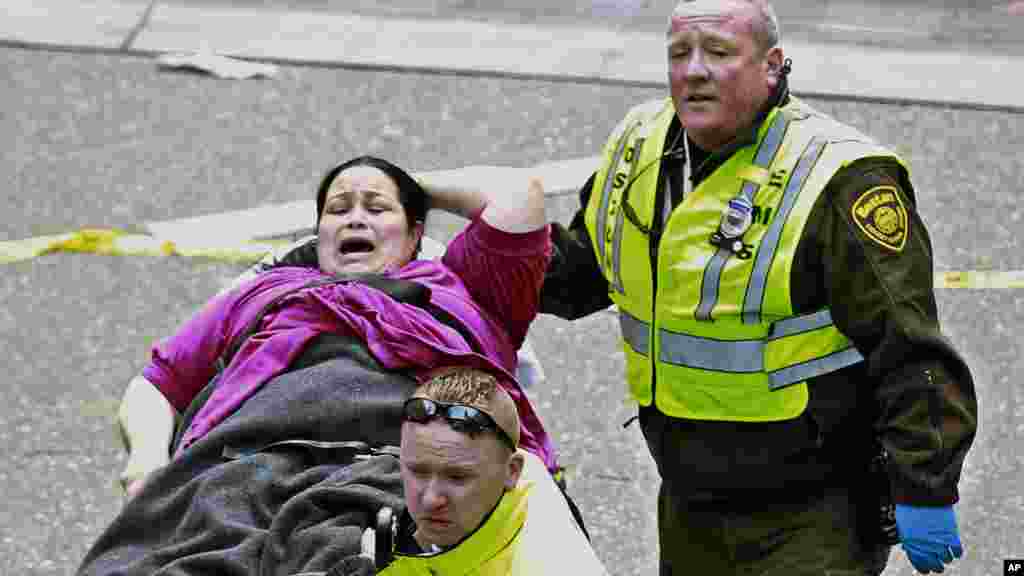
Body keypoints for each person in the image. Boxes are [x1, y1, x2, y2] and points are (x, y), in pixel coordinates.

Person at [539, 1, 978, 575]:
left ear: (771, 66)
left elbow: (910, 349)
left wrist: (924, 487)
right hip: (690, 499)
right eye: (679, 54)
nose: (694, 70)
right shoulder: (640, 146)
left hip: (814, 511)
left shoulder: (841, 179)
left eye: (718, 52)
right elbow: (581, 275)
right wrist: (484, 256)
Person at [78, 155, 560, 575]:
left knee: (342, 552)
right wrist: (145, 460)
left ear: (416, 232)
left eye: (376, 208)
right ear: (319, 232)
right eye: (337, 209)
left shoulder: (465, 288)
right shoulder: (264, 293)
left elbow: (522, 196)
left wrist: (407, 183)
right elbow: (156, 386)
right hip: (241, 463)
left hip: (398, 463)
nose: (354, 219)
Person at [332, 366, 606, 575]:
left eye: (457, 477)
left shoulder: (544, 565)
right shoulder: (517, 477)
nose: (430, 499)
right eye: (418, 470)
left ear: (512, 471)